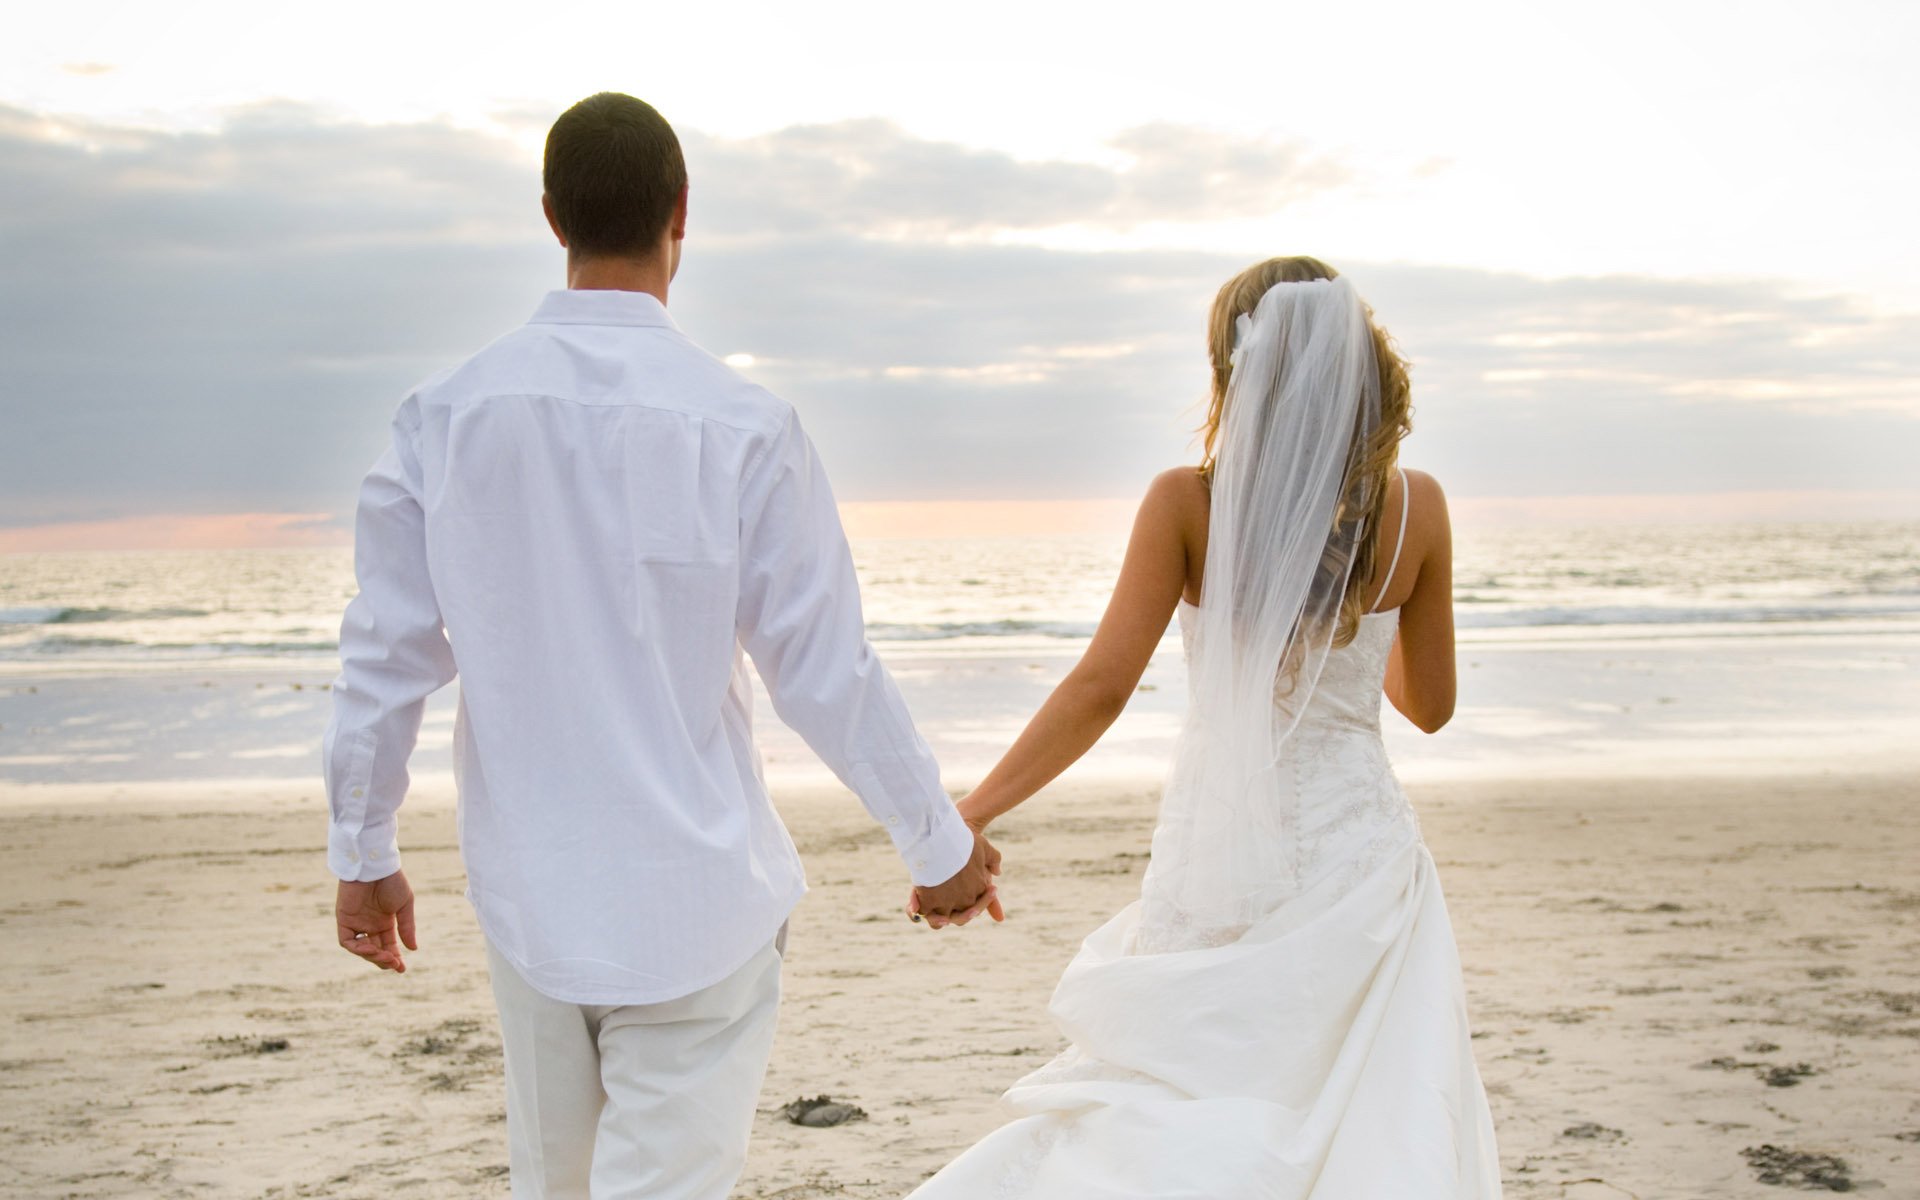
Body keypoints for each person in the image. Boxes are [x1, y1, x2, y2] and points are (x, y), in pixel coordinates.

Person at [321, 91, 1000, 1200]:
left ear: (552, 217)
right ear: (684, 210)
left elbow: (385, 656)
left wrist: (363, 853)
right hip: (699, 898)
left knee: (556, 1183)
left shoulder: (441, 418)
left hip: (532, 894)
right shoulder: (744, 427)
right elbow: (824, 672)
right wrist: (939, 846)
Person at [906, 257, 1503, 1196]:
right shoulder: (1416, 506)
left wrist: (967, 815)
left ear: (1235, 372)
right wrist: (1357, 605)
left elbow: (1101, 686)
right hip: (1361, 854)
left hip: (1222, 843)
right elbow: (1429, 707)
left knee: (1192, 1085)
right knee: (1363, 1104)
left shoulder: (1187, 502)